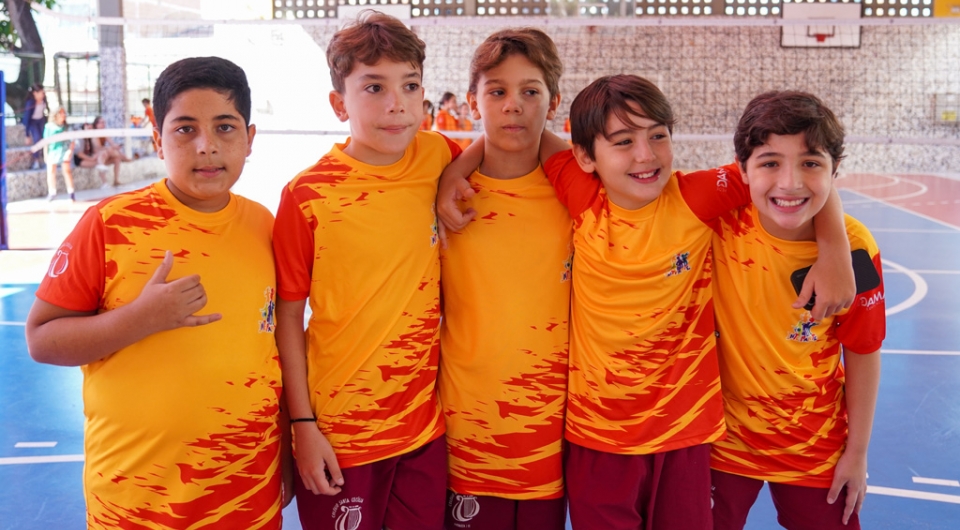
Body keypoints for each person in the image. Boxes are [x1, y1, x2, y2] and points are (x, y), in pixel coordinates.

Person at [440, 74, 855, 530]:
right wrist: (456, 172)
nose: (645, 155)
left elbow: (790, 173)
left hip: (685, 437)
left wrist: (836, 249)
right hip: (597, 440)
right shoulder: (581, 193)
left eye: (658, 136)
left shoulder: (696, 196)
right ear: (585, 157)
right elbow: (533, 138)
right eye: (623, 141)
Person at [25, 56, 287, 528]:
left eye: (225, 127)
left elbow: (274, 351)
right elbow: (42, 339)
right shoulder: (110, 225)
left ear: (250, 139)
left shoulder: (264, 226)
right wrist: (140, 319)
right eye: (185, 129)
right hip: (136, 501)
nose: (207, 146)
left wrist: (287, 448)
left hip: (245, 494)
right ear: (156, 141)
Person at [272, 11, 461, 530]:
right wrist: (302, 425)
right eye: (374, 87)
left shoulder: (437, 155)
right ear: (339, 104)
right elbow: (287, 319)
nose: (397, 103)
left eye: (410, 86)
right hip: (340, 435)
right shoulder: (307, 195)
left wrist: (453, 180)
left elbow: (496, 151)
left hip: (423, 430)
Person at [709, 91, 884, 530]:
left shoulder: (856, 247)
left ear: (834, 170)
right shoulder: (714, 222)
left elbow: (862, 349)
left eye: (810, 163)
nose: (790, 182)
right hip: (719, 443)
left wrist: (858, 453)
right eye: (770, 162)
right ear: (741, 168)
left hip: (815, 445)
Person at [438, 28, 569, 530]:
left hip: (550, 431)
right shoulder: (443, 187)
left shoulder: (577, 188)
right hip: (466, 429)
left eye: (530, 91)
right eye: (497, 91)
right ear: (473, 102)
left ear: (553, 102)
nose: (513, 105)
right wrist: (455, 171)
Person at [42, 107, 75, 201]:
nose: (63, 115)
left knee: (67, 171)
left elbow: (72, 141)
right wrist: (45, 155)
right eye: (61, 113)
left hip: (64, 151)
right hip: (53, 152)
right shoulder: (49, 127)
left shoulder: (67, 127)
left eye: (64, 113)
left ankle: (71, 193)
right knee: (51, 172)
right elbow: (46, 142)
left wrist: (69, 151)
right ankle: (52, 193)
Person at [92, 115, 130, 186]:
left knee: (117, 159)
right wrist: (111, 148)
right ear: (97, 124)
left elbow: (112, 143)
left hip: (105, 152)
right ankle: (104, 183)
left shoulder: (104, 133)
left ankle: (116, 180)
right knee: (105, 154)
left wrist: (116, 146)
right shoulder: (94, 134)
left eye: (104, 122)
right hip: (97, 155)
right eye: (102, 122)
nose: (104, 124)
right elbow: (98, 148)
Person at [73, 123, 112, 188]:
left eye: (91, 129)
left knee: (101, 159)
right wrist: (91, 158)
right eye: (89, 128)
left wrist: (98, 154)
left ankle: (105, 183)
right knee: (100, 163)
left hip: (88, 157)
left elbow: (94, 150)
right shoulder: (80, 138)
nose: (90, 130)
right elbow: (79, 154)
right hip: (80, 160)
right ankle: (104, 183)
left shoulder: (90, 138)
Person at [22, 84, 48, 169]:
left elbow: (47, 110)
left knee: (44, 139)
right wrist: (27, 135)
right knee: (37, 139)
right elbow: (27, 118)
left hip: (41, 121)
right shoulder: (30, 103)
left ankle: (45, 160)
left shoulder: (44, 100)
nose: (42, 95)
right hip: (33, 122)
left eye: (43, 93)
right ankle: (36, 161)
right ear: (35, 93)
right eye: (40, 93)